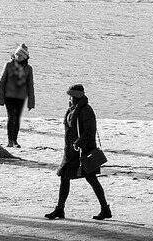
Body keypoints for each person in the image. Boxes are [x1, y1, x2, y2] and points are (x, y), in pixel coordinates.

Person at [44, 84, 111, 221]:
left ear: (76, 96)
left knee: (91, 178)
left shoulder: (86, 110)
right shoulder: (73, 108)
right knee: (65, 177)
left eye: (71, 96)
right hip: (71, 151)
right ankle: (60, 209)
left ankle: (105, 209)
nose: (69, 98)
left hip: (82, 152)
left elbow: (89, 131)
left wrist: (78, 143)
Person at [0, 43, 35, 148]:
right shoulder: (8, 65)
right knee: (11, 117)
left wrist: (31, 102)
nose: (18, 57)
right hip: (8, 96)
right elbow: (2, 82)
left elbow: (30, 85)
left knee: (17, 118)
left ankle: (15, 140)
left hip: (21, 97)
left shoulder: (29, 69)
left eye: (21, 55)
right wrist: (0, 98)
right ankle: (10, 140)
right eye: (17, 54)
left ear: (25, 57)